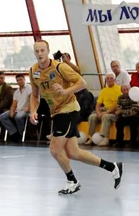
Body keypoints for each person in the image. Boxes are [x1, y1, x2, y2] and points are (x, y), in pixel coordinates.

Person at [29, 40, 123, 195]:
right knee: (73, 152)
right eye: (37, 51)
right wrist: (33, 110)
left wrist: (66, 91)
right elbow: (34, 95)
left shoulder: (60, 67)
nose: (40, 54)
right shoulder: (33, 71)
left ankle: (72, 181)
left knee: (54, 149)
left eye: (42, 50)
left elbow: (82, 82)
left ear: (47, 51)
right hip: (56, 112)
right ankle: (113, 167)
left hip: (68, 109)